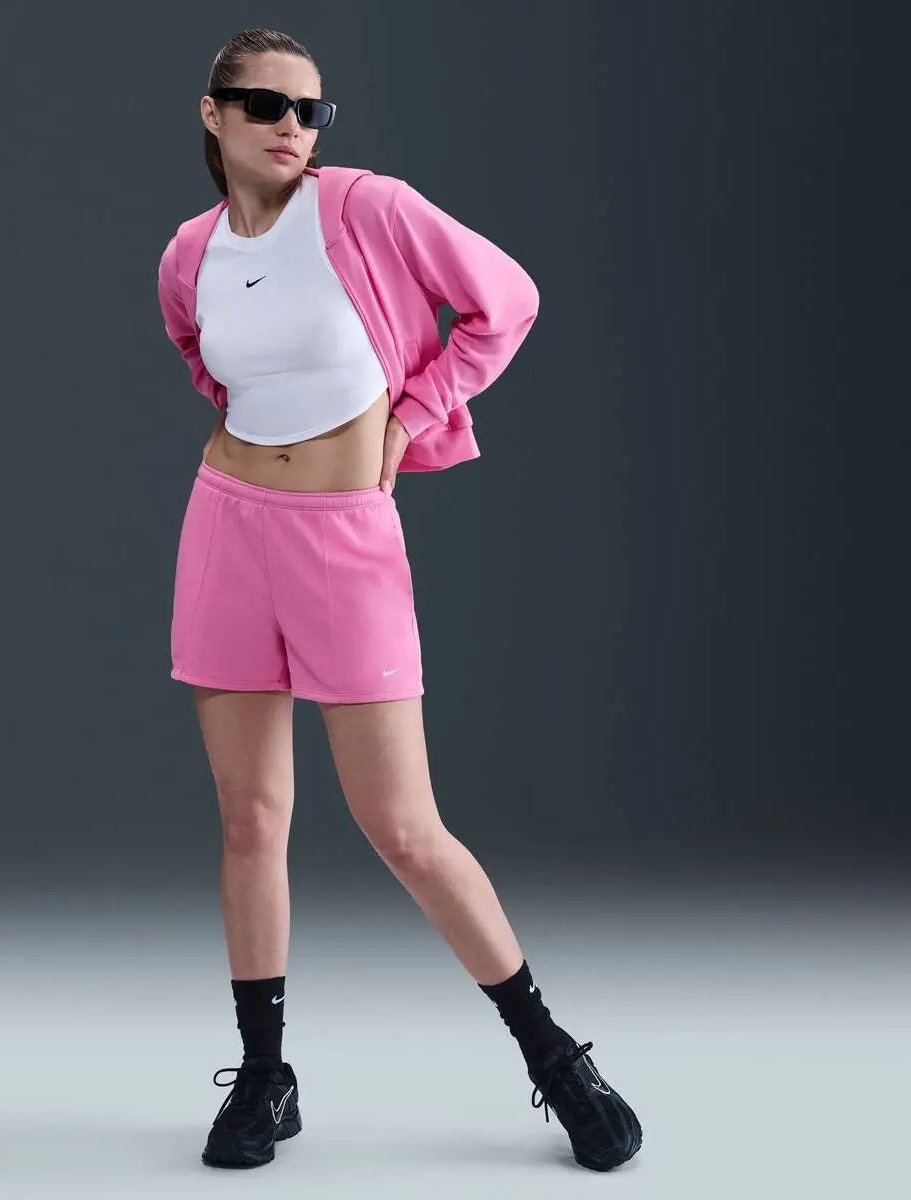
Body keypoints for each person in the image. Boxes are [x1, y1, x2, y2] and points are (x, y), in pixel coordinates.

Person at [156, 25, 643, 1174]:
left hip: (343, 539)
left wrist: (414, 417)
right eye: (266, 104)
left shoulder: (367, 208)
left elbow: (505, 302)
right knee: (251, 818)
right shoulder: (188, 252)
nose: (292, 127)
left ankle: (554, 1057)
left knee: (404, 828)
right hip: (225, 527)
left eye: (311, 110)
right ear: (213, 113)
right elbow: (207, 362)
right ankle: (265, 1078)